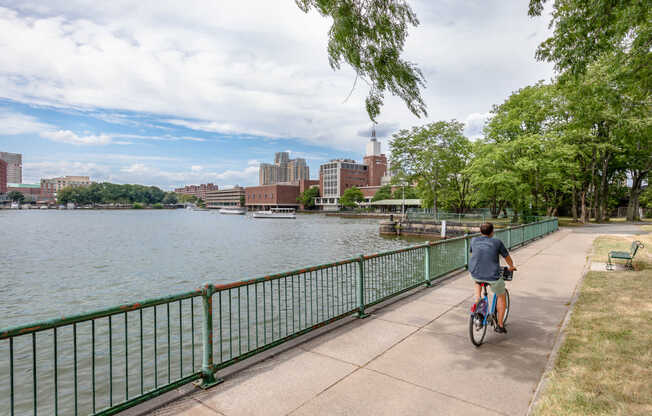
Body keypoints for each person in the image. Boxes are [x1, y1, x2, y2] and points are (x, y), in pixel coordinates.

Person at [469, 222, 516, 333]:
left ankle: (477, 301)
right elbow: (507, 257)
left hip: (475, 272)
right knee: (501, 295)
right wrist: (511, 266)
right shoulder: (497, 242)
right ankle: (499, 325)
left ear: (480, 231)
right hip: (492, 275)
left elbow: (474, 254)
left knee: (477, 281)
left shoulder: (473, 240)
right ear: (492, 232)